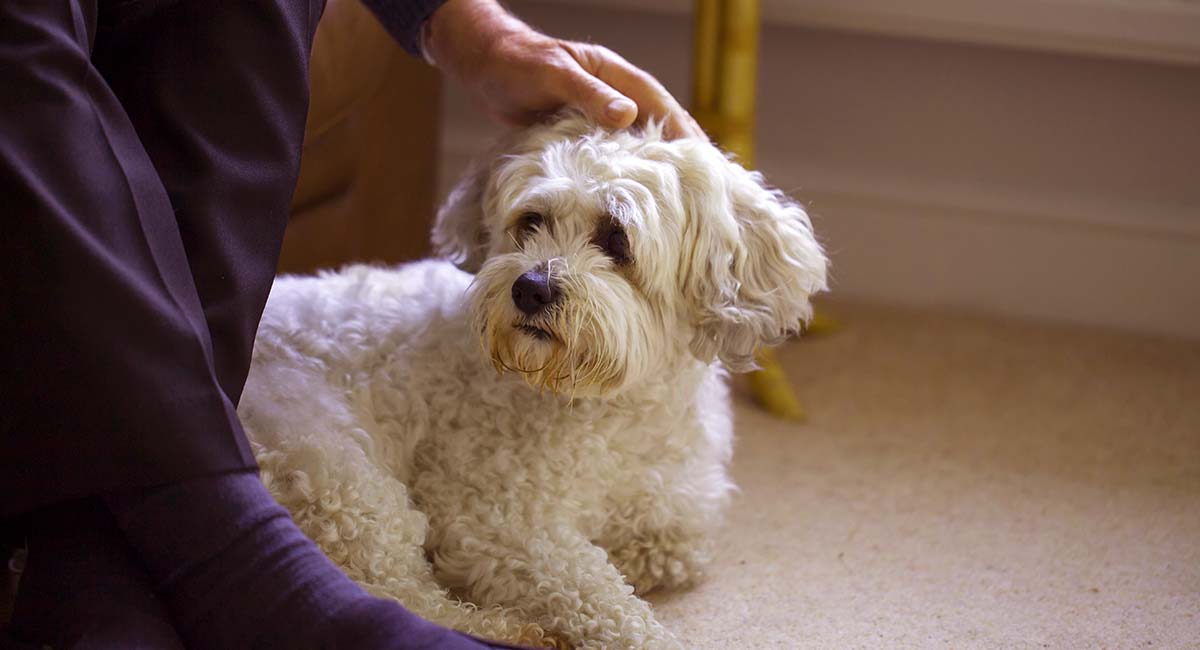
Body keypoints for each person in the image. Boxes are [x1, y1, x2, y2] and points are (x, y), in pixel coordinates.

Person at [0, 0, 702, 647]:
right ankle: (226, 553)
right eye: (532, 225)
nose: (539, 274)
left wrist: (468, 27)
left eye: (612, 244)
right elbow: (494, 528)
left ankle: (96, 552)